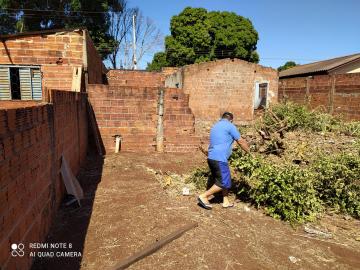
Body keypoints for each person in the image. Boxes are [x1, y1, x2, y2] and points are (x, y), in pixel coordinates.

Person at [198, 112, 250, 210]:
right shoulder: (230, 126)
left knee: (224, 179)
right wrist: (250, 153)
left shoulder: (215, 126)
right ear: (231, 120)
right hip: (219, 158)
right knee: (224, 182)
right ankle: (204, 196)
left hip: (211, 157)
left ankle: (225, 201)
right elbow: (241, 141)